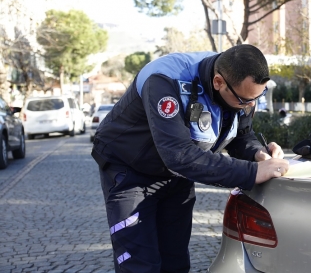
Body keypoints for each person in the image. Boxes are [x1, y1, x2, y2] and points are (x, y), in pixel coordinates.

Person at [91, 45, 289, 273]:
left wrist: (258, 154)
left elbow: (241, 135)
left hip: (177, 175)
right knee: (140, 263)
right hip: (130, 171)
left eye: (258, 96)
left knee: (175, 261)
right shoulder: (165, 80)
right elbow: (178, 155)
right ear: (218, 82)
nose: (251, 105)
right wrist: (252, 173)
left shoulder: (238, 87)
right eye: (245, 100)